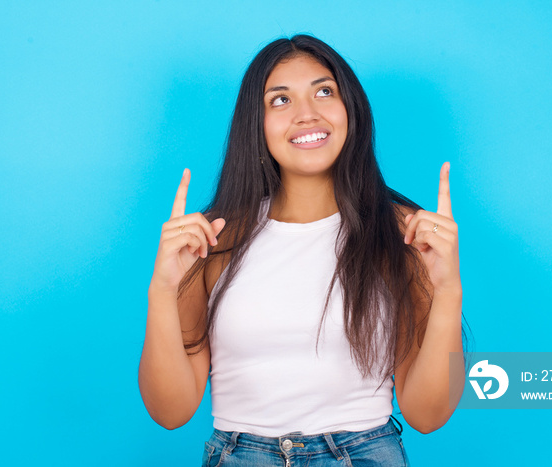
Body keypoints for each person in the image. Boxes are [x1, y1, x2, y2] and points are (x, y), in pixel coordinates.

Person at [138, 34, 465, 466]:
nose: (306, 114)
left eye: (324, 91)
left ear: (351, 109)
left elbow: (428, 415)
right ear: (255, 125)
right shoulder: (215, 238)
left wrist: (448, 292)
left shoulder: (402, 233)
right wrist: (161, 291)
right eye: (280, 100)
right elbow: (170, 411)